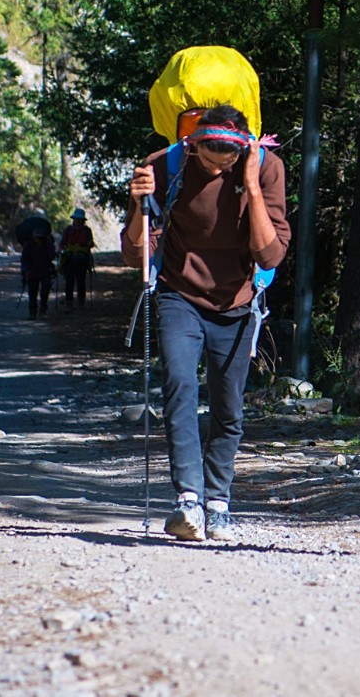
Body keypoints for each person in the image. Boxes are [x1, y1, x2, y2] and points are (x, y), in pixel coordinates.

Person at [125, 106, 290, 543]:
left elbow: (270, 256)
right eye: (209, 160)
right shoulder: (166, 164)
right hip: (180, 294)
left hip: (238, 301)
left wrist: (251, 186)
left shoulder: (267, 167)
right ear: (192, 145)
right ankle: (188, 500)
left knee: (228, 406)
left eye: (227, 162)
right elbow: (134, 253)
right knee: (179, 385)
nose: (218, 169)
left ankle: (218, 502)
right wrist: (137, 203)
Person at [18, 214, 56, 319]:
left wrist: (49, 243)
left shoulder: (47, 243)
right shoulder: (28, 245)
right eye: (37, 237)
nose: (38, 240)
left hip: (45, 270)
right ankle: (32, 312)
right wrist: (26, 271)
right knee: (32, 293)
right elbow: (24, 259)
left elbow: (52, 255)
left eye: (40, 238)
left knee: (45, 292)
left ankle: (43, 310)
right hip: (32, 271)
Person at [59, 207, 95, 309]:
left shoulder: (87, 231)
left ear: (83, 220)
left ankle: (81, 301)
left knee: (81, 281)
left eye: (79, 219)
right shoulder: (68, 230)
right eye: (76, 219)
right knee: (69, 281)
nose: (78, 221)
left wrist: (89, 244)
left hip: (82, 259)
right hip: (69, 258)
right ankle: (68, 301)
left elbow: (91, 243)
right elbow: (63, 243)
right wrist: (60, 249)